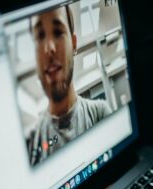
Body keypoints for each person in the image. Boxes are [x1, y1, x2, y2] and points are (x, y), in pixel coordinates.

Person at [28, 6, 112, 166]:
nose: (49, 49)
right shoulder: (31, 144)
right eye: (40, 36)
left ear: (74, 44)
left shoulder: (99, 114)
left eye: (58, 32)